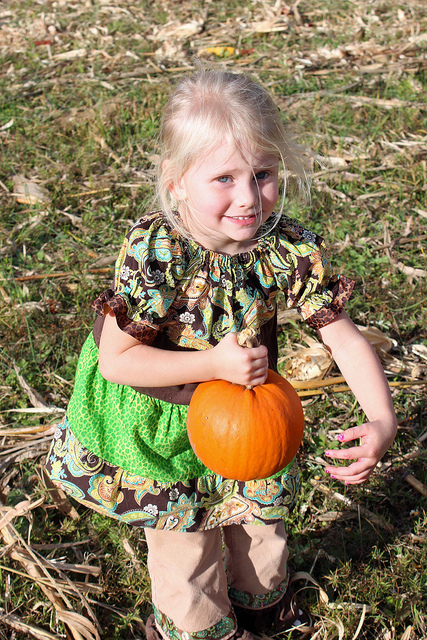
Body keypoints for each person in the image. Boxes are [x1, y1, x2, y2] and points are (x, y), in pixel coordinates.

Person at [45, 67, 397, 640]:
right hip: (163, 421)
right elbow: (119, 361)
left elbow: (342, 335)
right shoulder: (157, 254)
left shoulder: (281, 247)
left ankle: (261, 611)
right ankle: (202, 628)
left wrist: (382, 418)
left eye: (262, 174)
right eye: (223, 178)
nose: (247, 197)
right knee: (188, 549)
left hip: (252, 416)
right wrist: (213, 364)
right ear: (177, 181)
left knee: (262, 521)